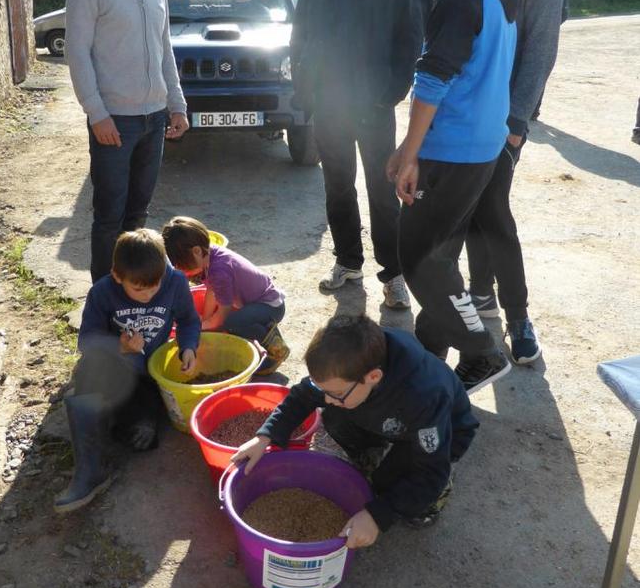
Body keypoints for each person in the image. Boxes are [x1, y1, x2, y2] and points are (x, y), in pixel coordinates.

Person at [386, 0, 521, 394]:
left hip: (453, 147)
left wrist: (408, 151)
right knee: (441, 250)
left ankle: (483, 353)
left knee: (421, 257)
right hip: (484, 147)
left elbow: (435, 79)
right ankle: (428, 349)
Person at [446, 0, 568, 364]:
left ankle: (517, 317)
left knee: (493, 209)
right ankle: (482, 294)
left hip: (505, 117)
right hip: (468, 112)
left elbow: (540, 50)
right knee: (476, 207)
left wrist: (515, 122)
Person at [232, 314, 478, 545]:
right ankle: (372, 452)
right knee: (334, 415)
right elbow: (303, 396)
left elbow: (430, 472)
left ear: (373, 376)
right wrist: (265, 437)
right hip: (387, 416)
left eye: (336, 393)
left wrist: (378, 516)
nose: (327, 398)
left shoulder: (423, 396)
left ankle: (436, 495)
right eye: (325, 391)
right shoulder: (346, 368)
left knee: (391, 485)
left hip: (442, 430)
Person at [290, 0, 422, 309]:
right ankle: (348, 262)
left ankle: (393, 273)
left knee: (383, 191)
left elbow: (410, 36)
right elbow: (300, 40)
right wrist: (305, 93)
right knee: (337, 188)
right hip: (329, 105)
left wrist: (392, 91)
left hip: (374, 105)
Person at [65, 0, 190, 284]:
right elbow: (78, 52)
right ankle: (104, 295)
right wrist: (96, 112)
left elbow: (164, 48)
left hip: (154, 118)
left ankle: (132, 291)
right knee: (109, 215)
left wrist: (177, 103)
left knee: (138, 214)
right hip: (114, 121)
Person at [54, 229, 200, 513]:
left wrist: (188, 348)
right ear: (117, 276)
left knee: (143, 437)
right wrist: (119, 347)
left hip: (146, 374)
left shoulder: (175, 282)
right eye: (138, 289)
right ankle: (90, 473)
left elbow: (188, 320)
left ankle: (104, 418)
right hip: (112, 365)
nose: (147, 295)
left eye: (154, 287)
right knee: (90, 382)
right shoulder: (103, 291)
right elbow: (87, 340)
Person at [162, 216, 289, 374]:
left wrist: (199, 327)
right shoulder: (210, 255)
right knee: (226, 322)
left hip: (270, 307)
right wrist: (206, 319)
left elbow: (222, 316)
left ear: (196, 251)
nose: (182, 271)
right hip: (254, 304)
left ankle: (275, 349)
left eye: (183, 266)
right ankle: (260, 328)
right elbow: (211, 291)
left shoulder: (219, 271)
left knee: (232, 323)